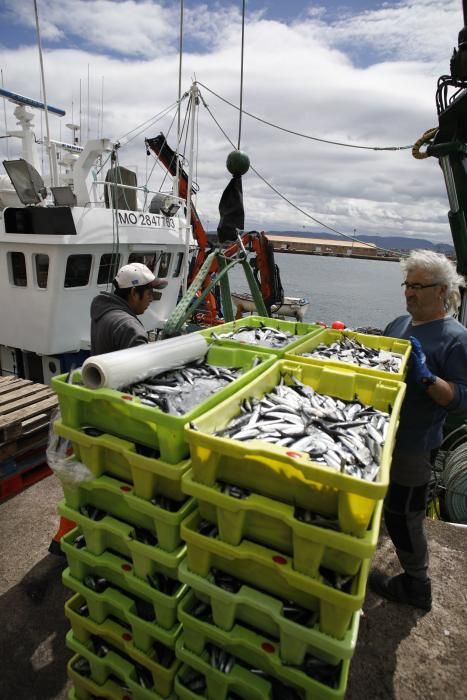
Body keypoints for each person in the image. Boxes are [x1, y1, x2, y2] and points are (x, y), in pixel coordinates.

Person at [369, 249, 467, 611]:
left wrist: (428, 380)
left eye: (418, 287)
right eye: (406, 285)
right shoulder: (398, 324)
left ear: (442, 291)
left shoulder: (457, 339)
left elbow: (463, 399)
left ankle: (416, 584)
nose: (409, 293)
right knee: (380, 503)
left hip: (415, 443)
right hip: (381, 436)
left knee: (404, 514)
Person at [90, 262, 167, 355]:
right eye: (149, 293)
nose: (151, 299)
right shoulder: (131, 329)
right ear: (134, 292)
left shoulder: (104, 311)